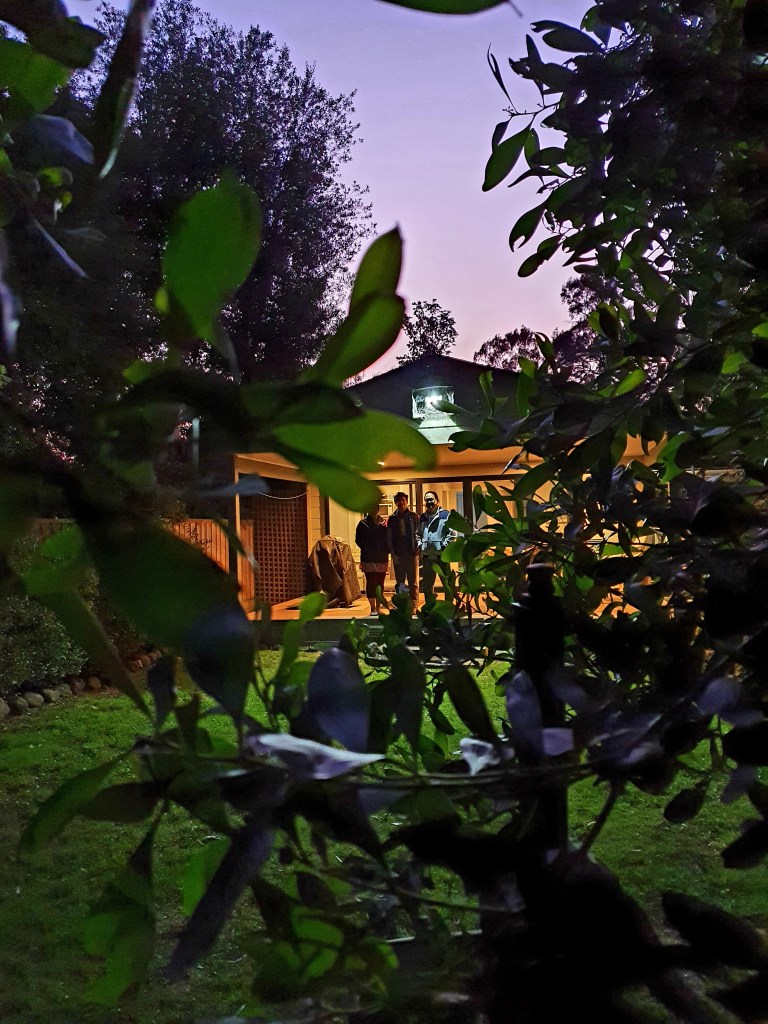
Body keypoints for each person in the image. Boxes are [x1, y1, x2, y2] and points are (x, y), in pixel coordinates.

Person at [419, 491, 456, 600]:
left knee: (447, 584)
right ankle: (430, 606)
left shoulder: (445, 515)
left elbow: (453, 533)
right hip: (427, 557)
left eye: (431, 499)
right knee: (427, 585)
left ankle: (448, 607)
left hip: (442, 556)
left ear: (437, 501)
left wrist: (443, 546)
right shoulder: (422, 517)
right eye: (427, 500)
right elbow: (418, 533)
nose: (429, 502)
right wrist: (420, 545)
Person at [387, 491, 420, 605]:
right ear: (395, 503)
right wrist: (393, 554)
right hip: (398, 554)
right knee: (400, 582)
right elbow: (389, 538)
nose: (401, 502)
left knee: (413, 582)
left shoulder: (414, 516)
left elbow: (419, 533)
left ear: (406, 501)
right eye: (398, 501)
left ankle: (414, 605)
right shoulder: (392, 519)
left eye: (403, 500)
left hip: (412, 553)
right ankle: (402, 605)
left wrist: (418, 549)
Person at [355, 511, 390, 614]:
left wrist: (386, 550)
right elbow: (358, 540)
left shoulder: (383, 522)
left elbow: (388, 538)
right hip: (368, 558)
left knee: (380, 583)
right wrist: (367, 548)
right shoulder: (363, 524)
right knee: (371, 582)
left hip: (382, 557)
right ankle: (373, 608)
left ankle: (378, 608)